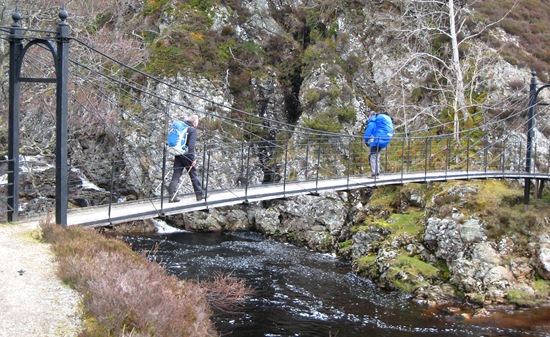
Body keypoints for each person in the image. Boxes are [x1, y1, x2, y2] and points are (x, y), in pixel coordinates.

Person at [168, 114, 204, 202]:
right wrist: (192, 160)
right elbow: (191, 146)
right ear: (195, 122)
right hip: (187, 155)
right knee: (193, 174)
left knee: (176, 173)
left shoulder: (183, 126)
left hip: (178, 152)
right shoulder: (192, 130)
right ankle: (199, 195)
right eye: (197, 121)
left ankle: (171, 196)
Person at [363, 110, 394, 178]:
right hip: (381, 141)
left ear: (370, 116)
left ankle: (374, 174)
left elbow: (367, 134)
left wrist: (366, 141)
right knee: (377, 156)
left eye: (369, 116)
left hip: (374, 142)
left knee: (373, 157)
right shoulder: (378, 123)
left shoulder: (372, 123)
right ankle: (377, 173)